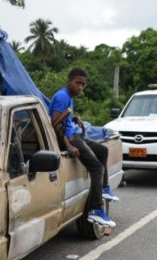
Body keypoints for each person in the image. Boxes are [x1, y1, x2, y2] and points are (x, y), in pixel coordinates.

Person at [49, 68, 118, 228]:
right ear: (69, 82)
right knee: (97, 168)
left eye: (83, 84)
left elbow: (62, 119)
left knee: (103, 150)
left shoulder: (69, 97)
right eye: (78, 83)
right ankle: (95, 209)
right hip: (71, 139)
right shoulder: (62, 96)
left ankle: (104, 188)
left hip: (75, 135)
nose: (80, 87)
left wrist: (73, 118)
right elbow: (55, 126)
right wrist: (68, 145)